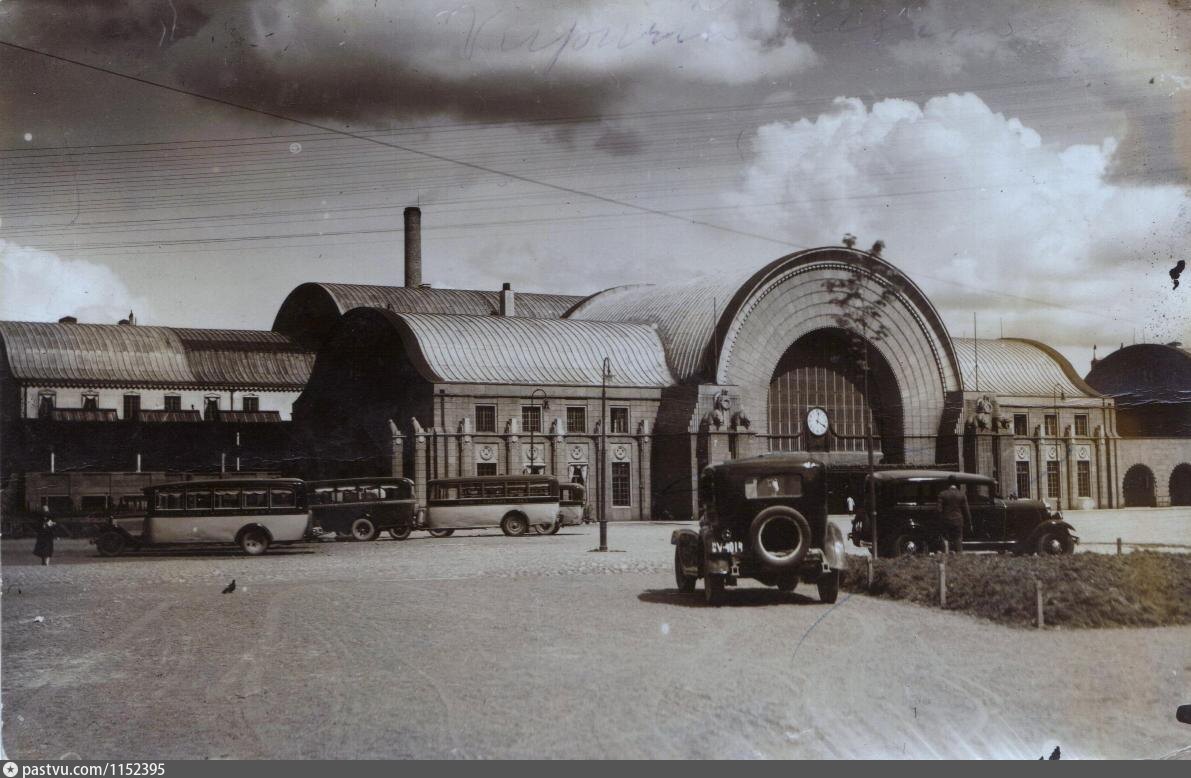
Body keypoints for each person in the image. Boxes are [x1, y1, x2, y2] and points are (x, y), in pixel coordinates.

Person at [936, 476, 971, 554]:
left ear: (948, 484)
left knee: (945, 540)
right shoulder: (962, 495)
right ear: (956, 484)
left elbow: (939, 510)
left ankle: (946, 557)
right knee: (958, 541)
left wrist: (940, 521)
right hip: (958, 521)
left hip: (946, 521)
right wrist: (969, 523)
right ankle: (958, 559)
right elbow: (966, 511)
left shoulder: (942, 494)